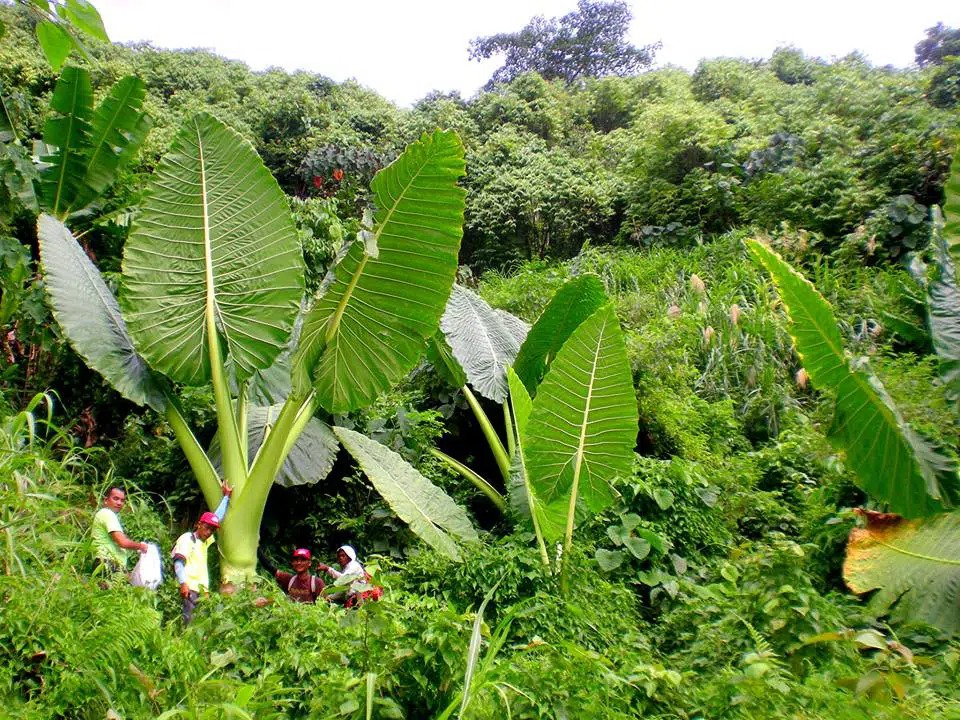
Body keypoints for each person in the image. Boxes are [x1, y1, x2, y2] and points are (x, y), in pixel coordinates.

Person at [171, 482, 232, 624]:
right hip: (190, 588)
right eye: (207, 527)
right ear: (199, 524)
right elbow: (178, 563)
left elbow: (217, 517)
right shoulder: (187, 539)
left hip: (203, 591)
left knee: (199, 625)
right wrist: (183, 583)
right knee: (189, 623)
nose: (209, 532)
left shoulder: (205, 541)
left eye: (212, 530)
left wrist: (226, 497)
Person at [91, 486, 149, 578]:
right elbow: (123, 542)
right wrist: (141, 546)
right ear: (106, 500)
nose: (119, 503)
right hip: (107, 562)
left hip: (108, 563)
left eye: (122, 500)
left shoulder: (105, 514)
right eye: (115, 499)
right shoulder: (107, 514)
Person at [316, 545, 382, 608]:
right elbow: (345, 588)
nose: (341, 558)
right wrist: (329, 597)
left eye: (343, 556)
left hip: (360, 596)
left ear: (349, 556)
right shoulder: (346, 568)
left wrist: (327, 568)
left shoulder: (353, 565)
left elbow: (343, 579)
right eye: (339, 556)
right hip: (351, 595)